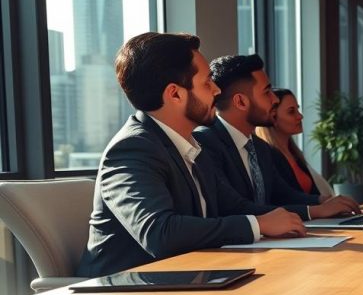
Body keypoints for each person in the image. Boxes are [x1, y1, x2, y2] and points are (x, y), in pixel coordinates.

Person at [78, 33, 308, 278]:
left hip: (182, 279)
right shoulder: (132, 149)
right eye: (207, 83)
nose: (217, 90)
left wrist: (284, 219)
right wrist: (258, 224)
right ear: (175, 94)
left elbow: (234, 206)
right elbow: (160, 233)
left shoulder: (192, 145)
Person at [194, 55, 358, 217]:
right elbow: (234, 208)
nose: (274, 100)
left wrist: (324, 201)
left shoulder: (260, 147)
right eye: (267, 93)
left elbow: (283, 195)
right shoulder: (205, 143)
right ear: (241, 102)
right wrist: (314, 211)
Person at [254, 88, 334, 197]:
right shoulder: (267, 156)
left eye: (297, 109)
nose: (300, 116)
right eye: (291, 111)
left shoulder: (295, 153)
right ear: (273, 117)